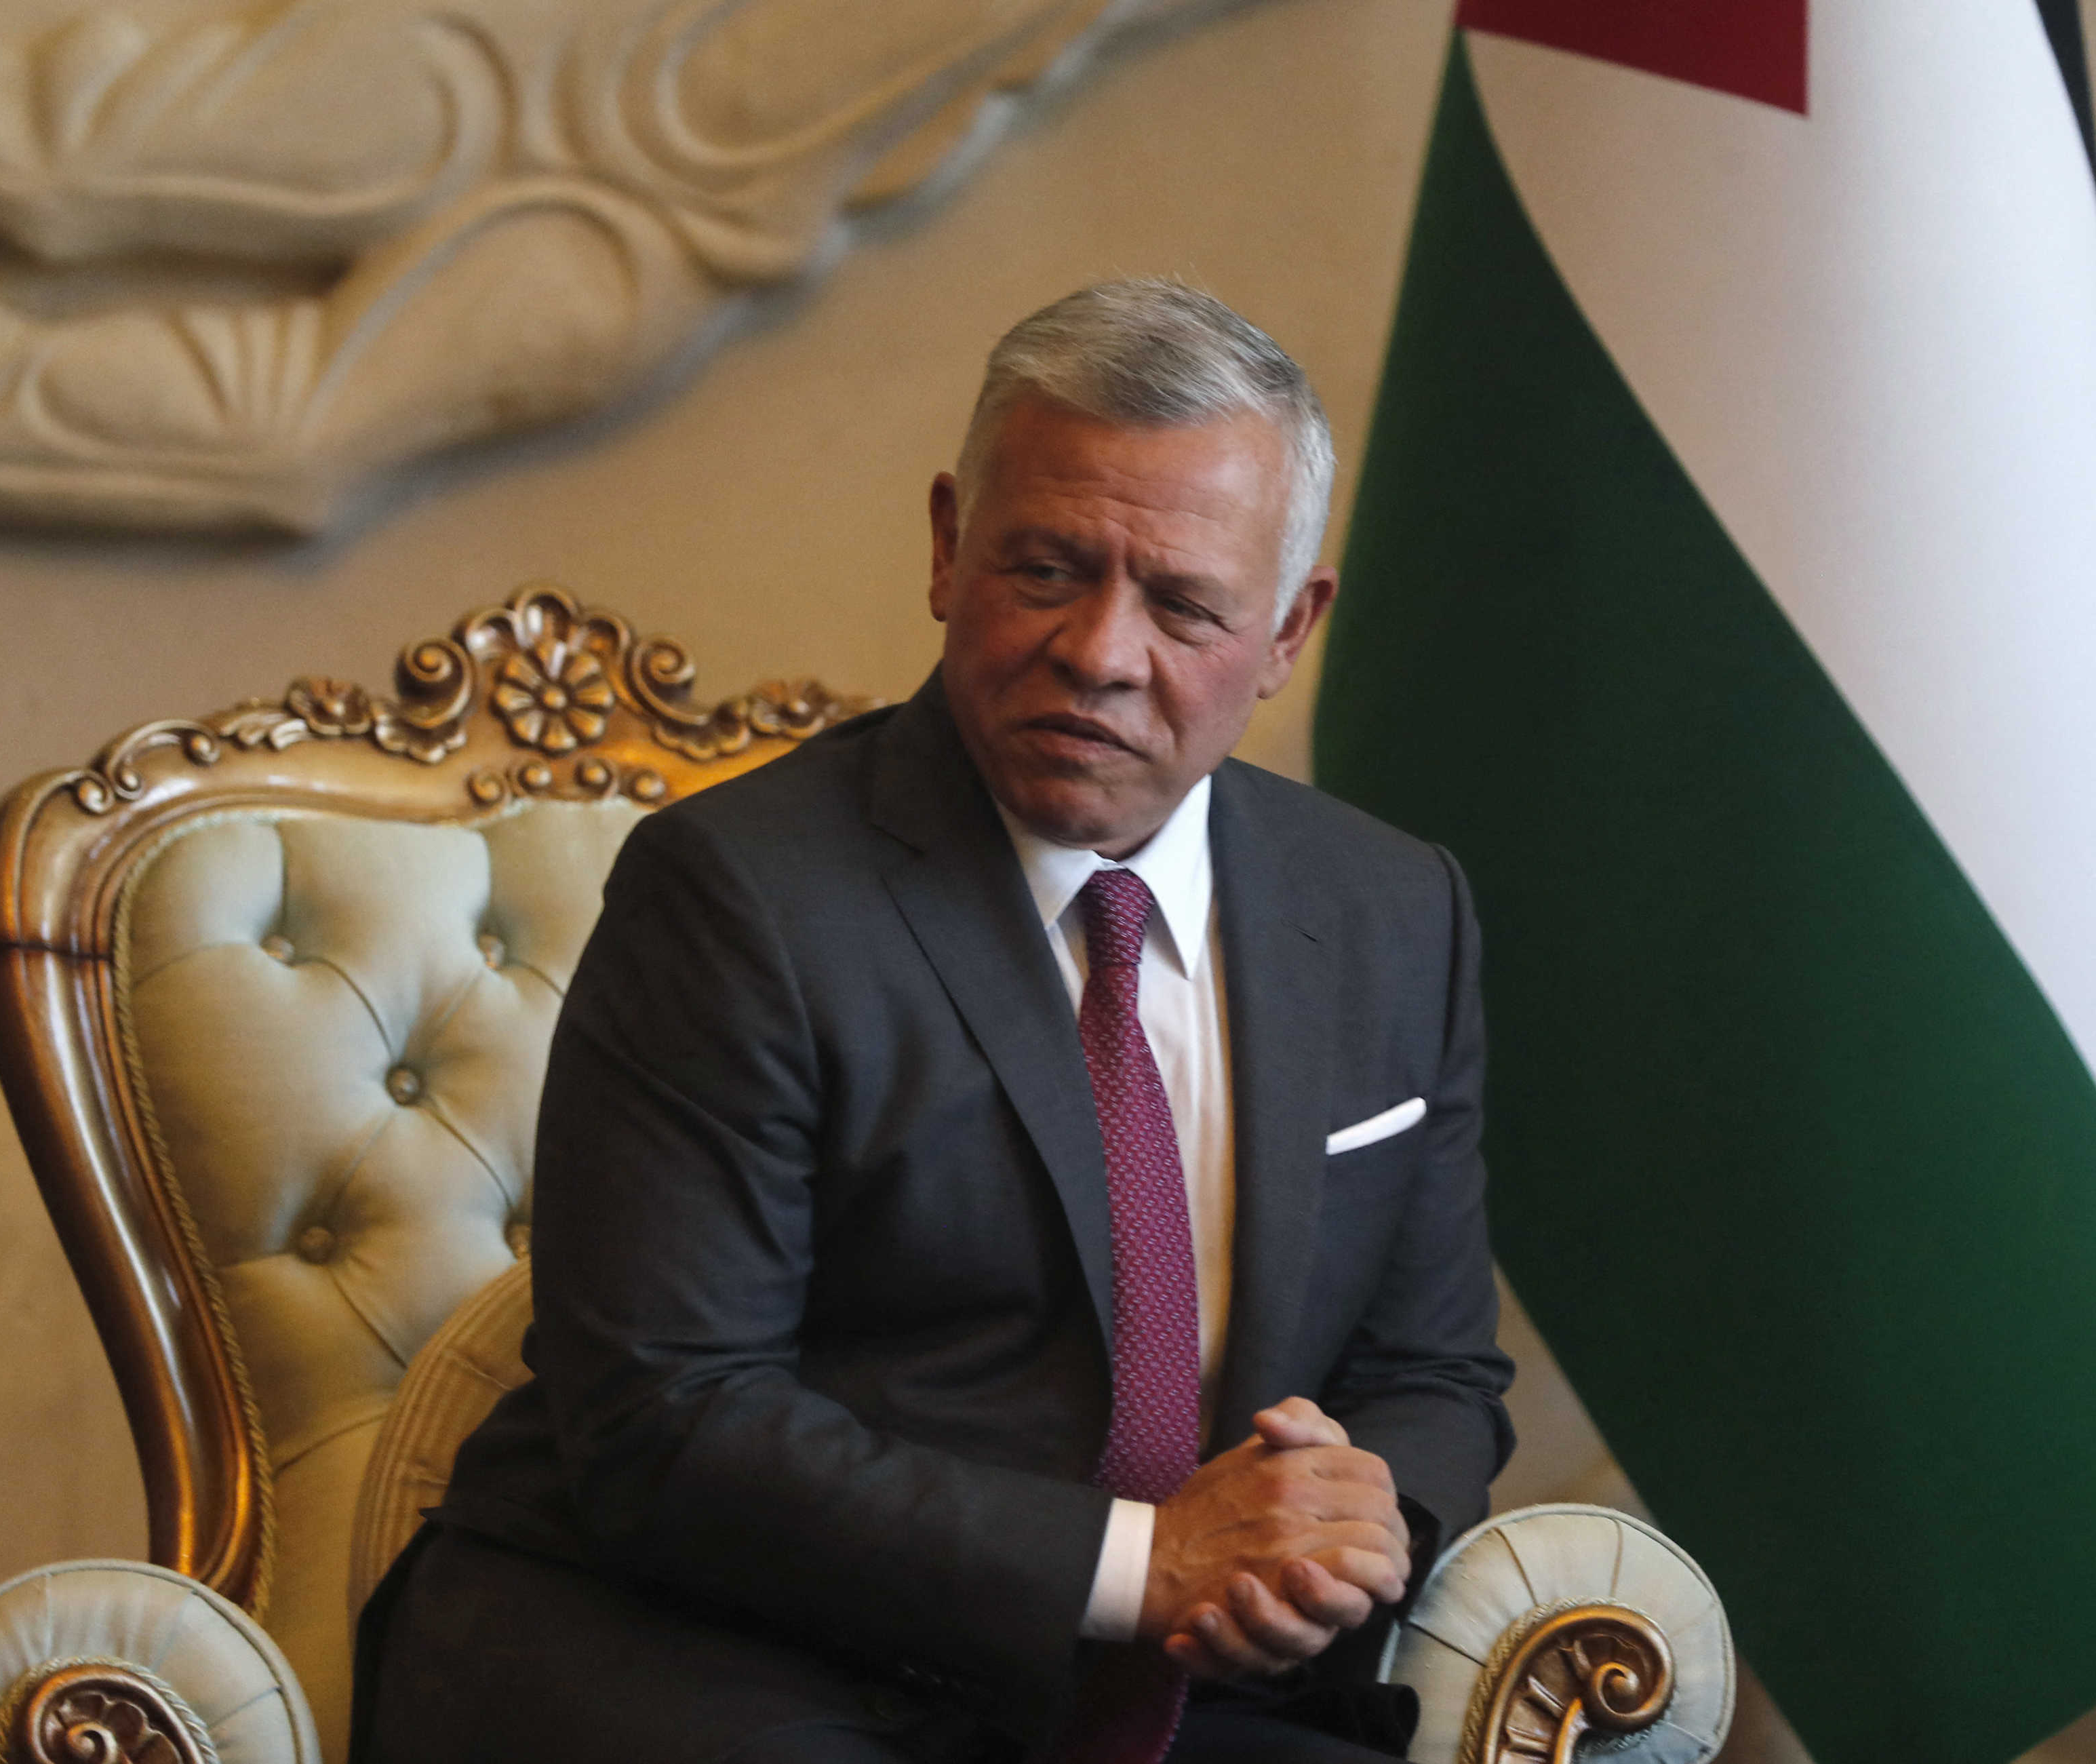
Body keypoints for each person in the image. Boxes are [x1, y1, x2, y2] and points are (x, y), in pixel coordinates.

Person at [355, 279, 1514, 1763]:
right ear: (946, 546)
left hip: (1160, 1690)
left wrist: (1345, 1527)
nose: (1100, 651)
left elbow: (1429, 1374)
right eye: (1046, 568)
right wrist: (1143, 1559)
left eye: (1181, 604)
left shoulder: (1392, 910)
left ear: (1289, 627)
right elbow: (670, 1417)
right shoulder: (737, 895)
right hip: (708, 1657)